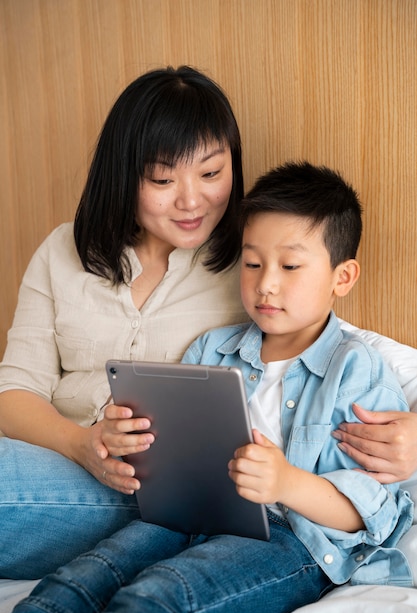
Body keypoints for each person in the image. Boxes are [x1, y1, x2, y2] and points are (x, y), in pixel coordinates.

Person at [0, 66, 416, 584]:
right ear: (125, 173)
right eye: (162, 179)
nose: (192, 200)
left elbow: (334, 343)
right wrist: (81, 444)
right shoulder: (63, 250)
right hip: (64, 459)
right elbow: (15, 391)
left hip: (159, 488)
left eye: (212, 174)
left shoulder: (246, 264)